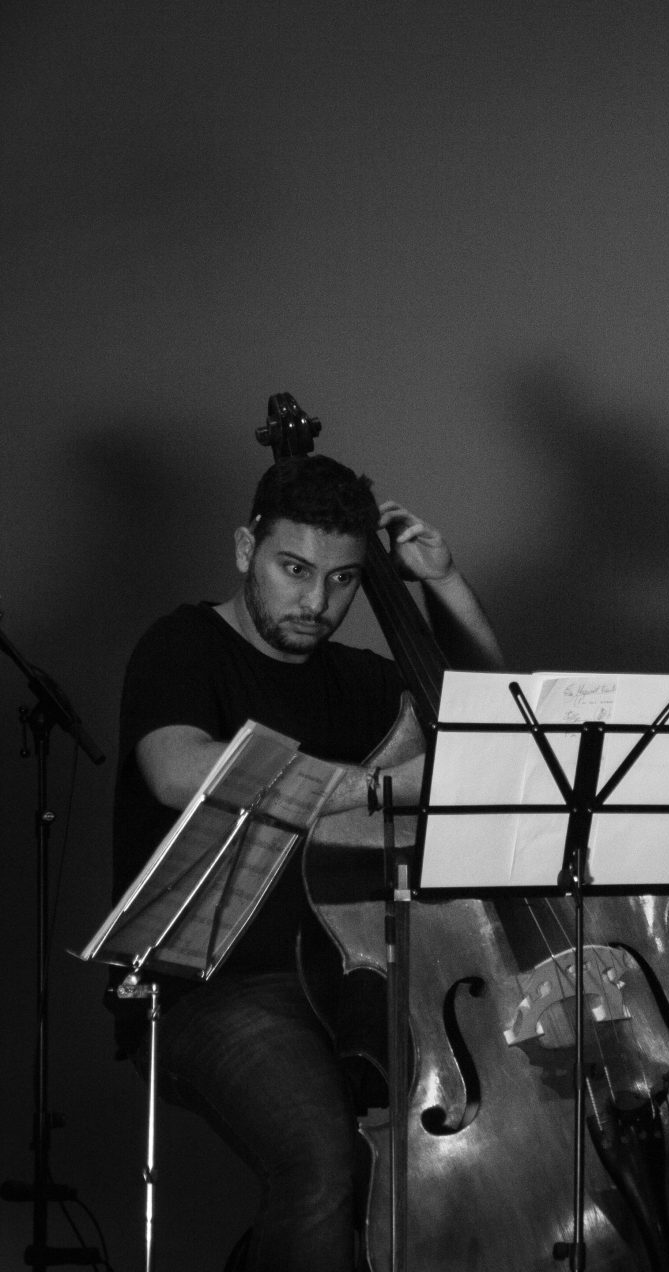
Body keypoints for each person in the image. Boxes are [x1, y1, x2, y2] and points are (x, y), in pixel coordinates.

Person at [107, 454, 502, 1272]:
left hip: (355, 981)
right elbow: (180, 770)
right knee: (322, 1157)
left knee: (451, 1146)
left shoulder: (359, 680)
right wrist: (381, 788)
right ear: (247, 547)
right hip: (207, 988)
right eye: (295, 569)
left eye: (344, 580)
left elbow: (495, 724)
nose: (317, 602)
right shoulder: (183, 645)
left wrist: (446, 584)